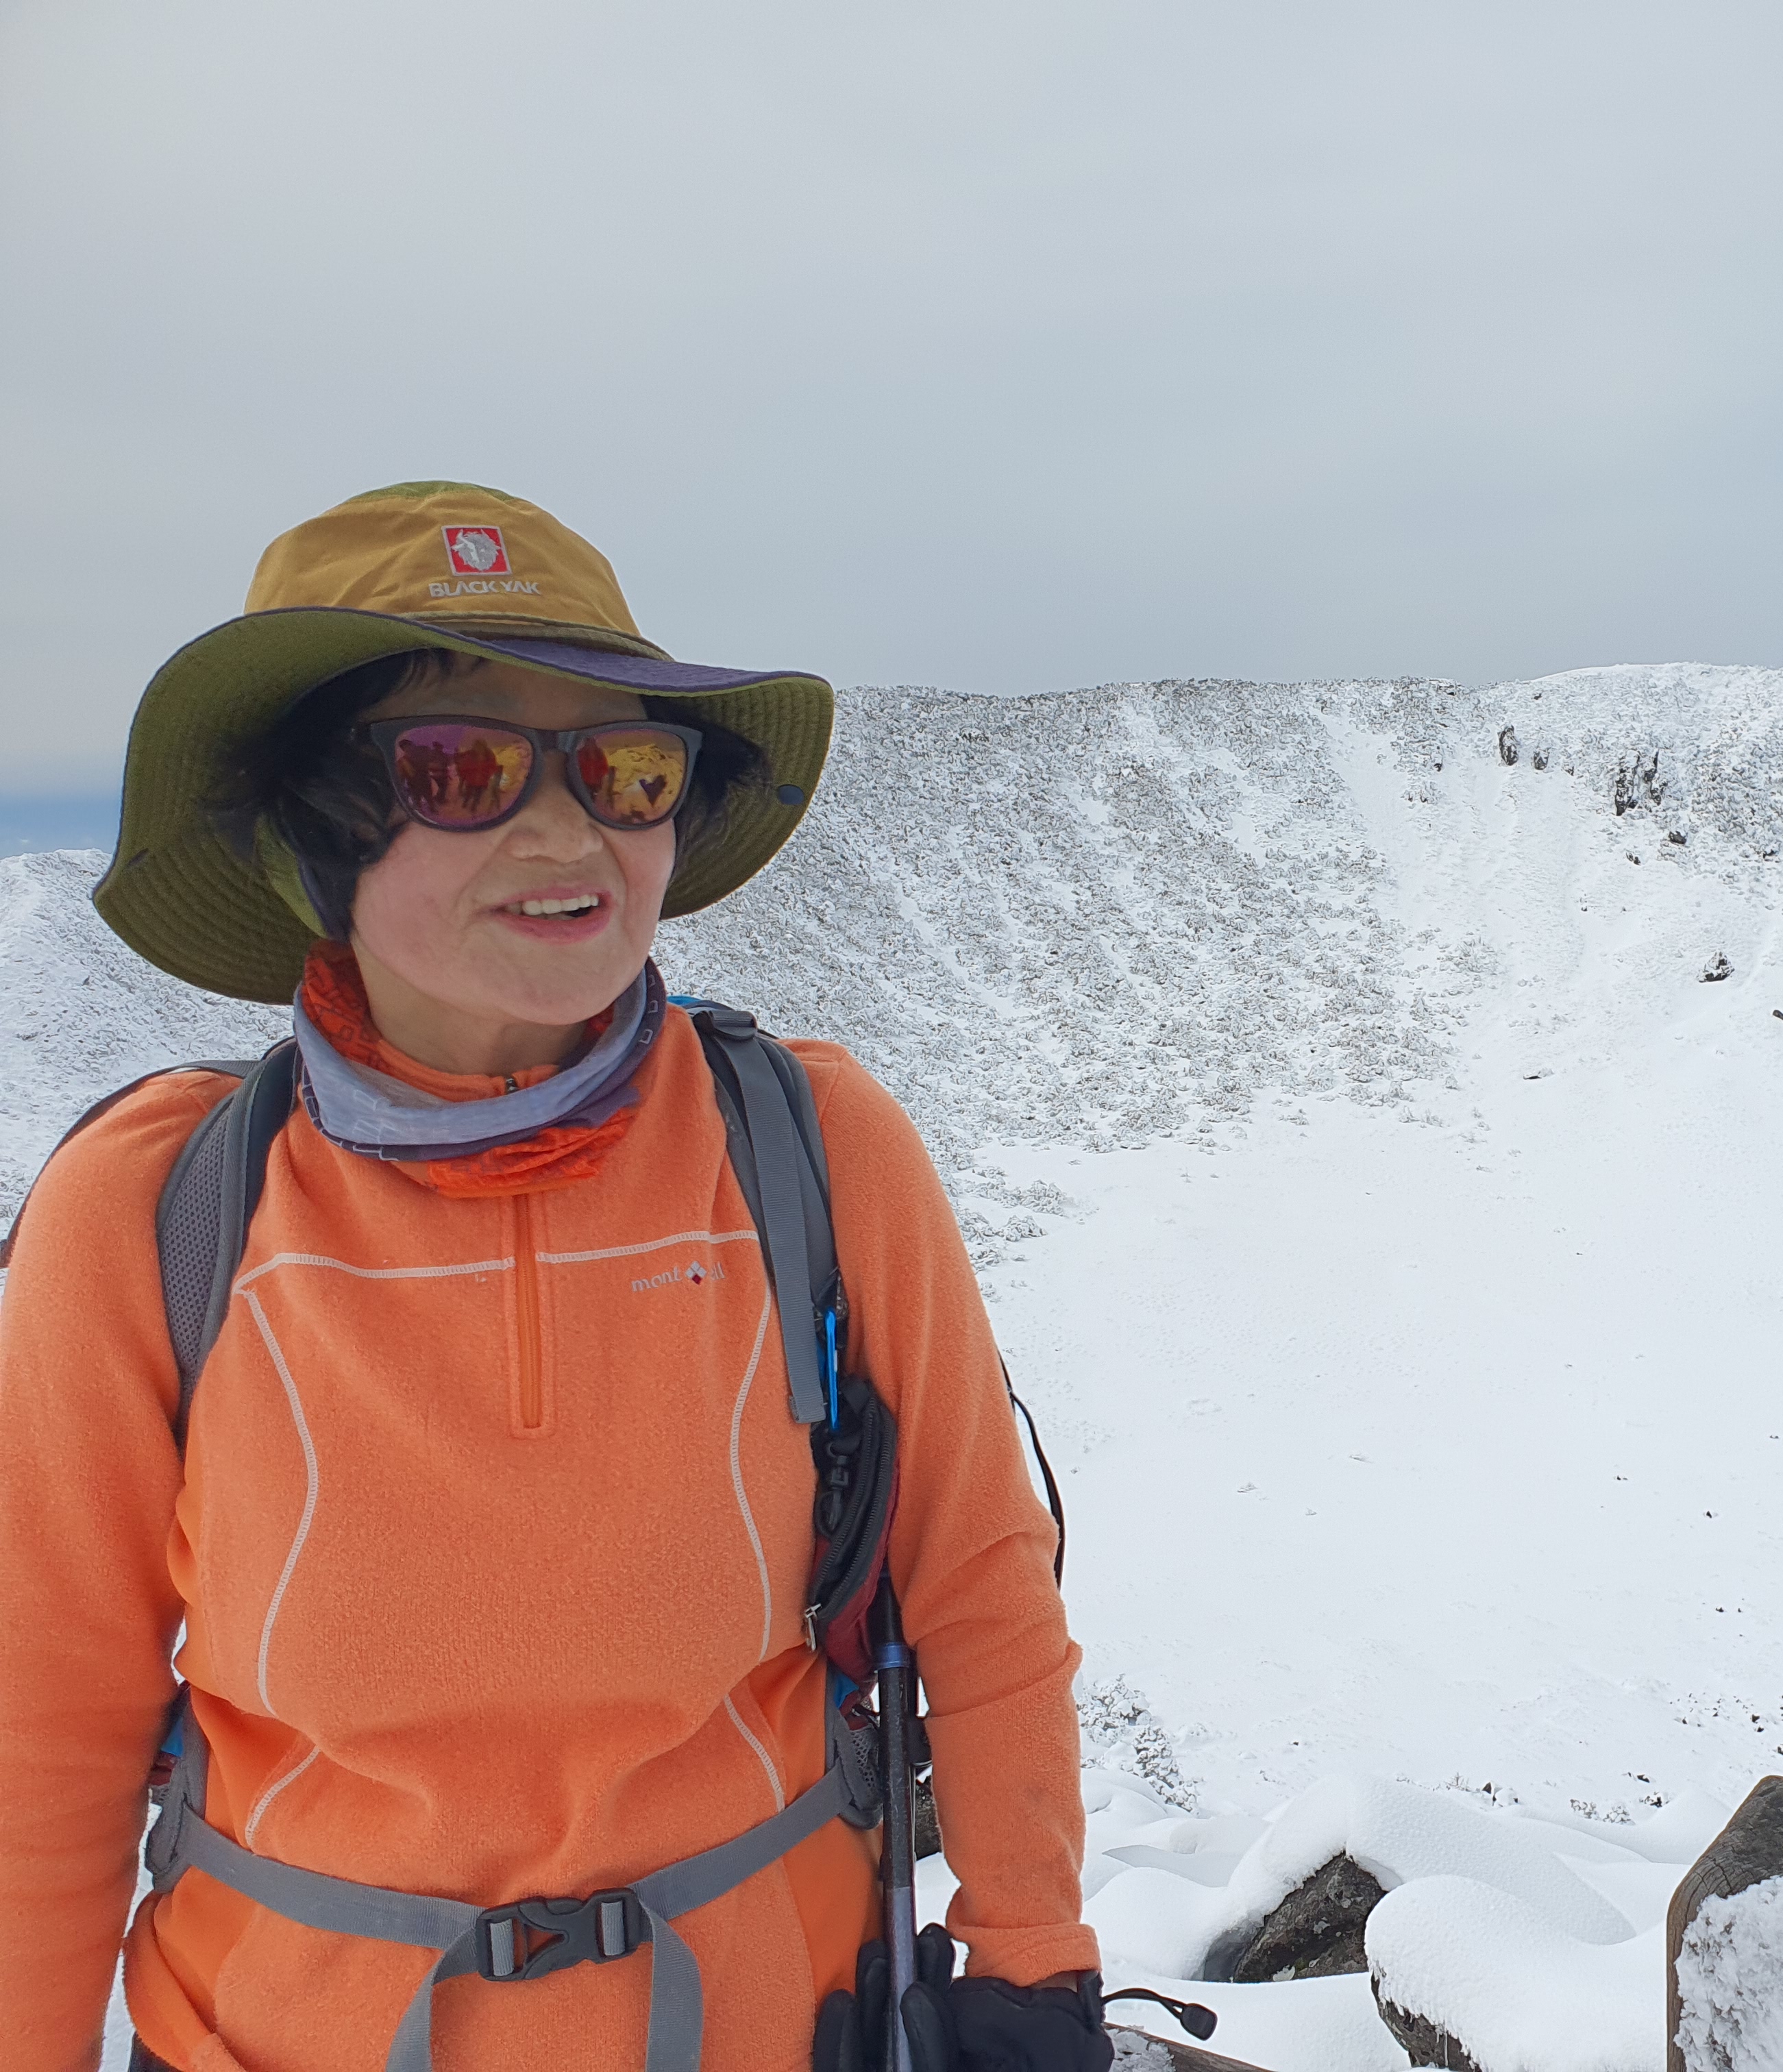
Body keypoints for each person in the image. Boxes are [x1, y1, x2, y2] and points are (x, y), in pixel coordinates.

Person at [0, 484, 1100, 2072]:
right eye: (461, 769)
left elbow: (981, 1587)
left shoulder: (810, 1147)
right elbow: (45, 1728)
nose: (572, 836)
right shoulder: (152, 1214)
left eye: (625, 769)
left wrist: (1032, 1972)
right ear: (314, 826)